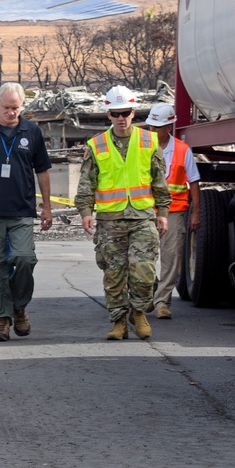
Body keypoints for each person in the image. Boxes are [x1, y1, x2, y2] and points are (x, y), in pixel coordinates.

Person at [74, 85, 171, 341]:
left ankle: (138, 313)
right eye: (115, 113)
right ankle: (118, 321)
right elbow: (87, 183)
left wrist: (162, 212)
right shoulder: (96, 145)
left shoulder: (148, 142)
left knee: (144, 270)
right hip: (110, 221)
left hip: (142, 218)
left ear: (133, 112)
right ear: (108, 114)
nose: (120, 117)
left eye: (125, 112)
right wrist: (85, 211)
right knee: (114, 274)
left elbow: (160, 182)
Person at [0, 83, 53, 340]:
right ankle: (1, 319)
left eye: (15, 108)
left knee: (24, 259)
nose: (11, 113)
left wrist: (47, 207)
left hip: (21, 211)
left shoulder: (32, 131)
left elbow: (43, 170)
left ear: (21, 106)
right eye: (6, 108)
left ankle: (18, 307)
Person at [144, 103, 201, 319]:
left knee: (170, 258)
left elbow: (194, 183)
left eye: (158, 127)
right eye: (151, 126)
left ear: (169, 126)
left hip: (174, 212)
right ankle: (152, 290)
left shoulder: (182, 150)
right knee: (142, 257)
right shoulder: (142, 148)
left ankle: (162, 303)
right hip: (147, 210)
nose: (153, 131)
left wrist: (196, 213)